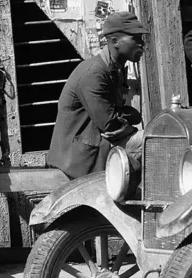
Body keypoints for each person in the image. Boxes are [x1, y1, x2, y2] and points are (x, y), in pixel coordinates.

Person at [47, 11, 147, 179]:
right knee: (157, 139)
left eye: (142, 39)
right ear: (115, 41)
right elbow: (110, 125)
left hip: (99, 148)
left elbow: (115, 113)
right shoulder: (94, 73)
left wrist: (127, 115)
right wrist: (128, 119)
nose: (142, 44)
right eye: (135, 39)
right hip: (80, 161)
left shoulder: (115, 68)